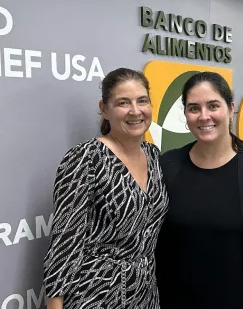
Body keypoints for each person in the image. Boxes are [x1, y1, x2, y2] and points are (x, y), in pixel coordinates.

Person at [156, 71, 243, 309]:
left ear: (230, 108)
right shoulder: (168, 165)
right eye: (194, 108)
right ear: (185, 114)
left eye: (213, 106)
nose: (204, 116)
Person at [43, 68, 169, 309]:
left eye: (142, 101)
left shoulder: (154, 156)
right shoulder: (85, 159)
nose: (135, 111)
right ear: (104, 108)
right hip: (94, 294)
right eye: (123, 103)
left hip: (145, 294)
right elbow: (64, 243)